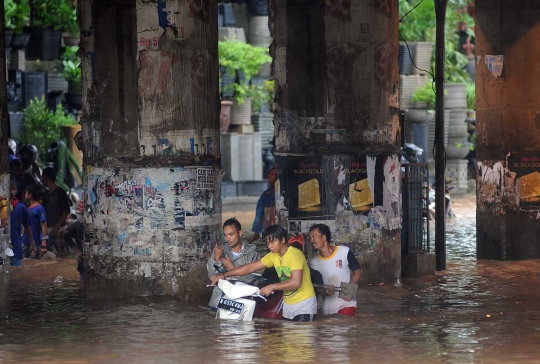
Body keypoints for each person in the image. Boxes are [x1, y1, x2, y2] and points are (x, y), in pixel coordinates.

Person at [211, 224, 317, 322]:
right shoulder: (273, 255)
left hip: (304, 305)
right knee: (288, 341)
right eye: (267, 243)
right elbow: (250, 267)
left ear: (283, 240)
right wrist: (224, 275)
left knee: (302, 340)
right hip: (288, 304)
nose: (270, 246)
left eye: (272, 242)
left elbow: (296, 282)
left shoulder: (295, 254)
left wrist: (272, 286)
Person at [206, 217, 260, 311]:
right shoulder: (220, 251)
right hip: (219, 299)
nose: (228, 238)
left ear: (240, 233)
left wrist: (232, 268)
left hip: (243, 301)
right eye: (225, 235)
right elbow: (212, 277)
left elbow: (254, 280)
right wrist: (216, 259)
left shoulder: (252, 254)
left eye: (231, 234)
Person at [308, 223, 361, 317]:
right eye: (311, 238)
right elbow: (318, 287)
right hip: (328, 308)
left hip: (347, 304)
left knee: (343, 325)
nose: (311, 240)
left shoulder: (344, 251)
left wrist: (349, 289)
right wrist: (325, 291)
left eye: (314, 237)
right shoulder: (314, 262)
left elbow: (357, 272)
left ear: (324, 237)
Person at [41, 167, 71, 253]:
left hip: (60, 230)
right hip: (48, 230)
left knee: (63, 255)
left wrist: (57, 225)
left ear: (46, 178)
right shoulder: (45, 194)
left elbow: (66, 211)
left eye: (42, 177)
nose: (41, 180)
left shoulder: (61, 192)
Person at [9, 182, 36, 266]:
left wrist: (33, 243)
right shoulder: (2, 207)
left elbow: (27, 226)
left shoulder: (21, 207)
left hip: (16, 250)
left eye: (14, 189)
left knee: (17, 274)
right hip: (2, 250)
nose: (12, 192)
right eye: (10, 189)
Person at [22, 184, 47, 259]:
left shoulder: (39, 208)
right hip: (25, 241)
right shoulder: (27, 209)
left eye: (26, 193)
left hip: (35, 242)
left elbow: (44, 225)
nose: (24, 195)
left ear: (30, 195)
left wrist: (43, 243)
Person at [251, 168, 276, 242]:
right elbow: (260, 214)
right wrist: (257, 230)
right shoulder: (266, 195)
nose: (269, 176)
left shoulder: (268, 195)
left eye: (272, 174)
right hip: (268, 231)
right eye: (269, 174)